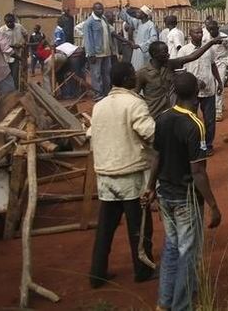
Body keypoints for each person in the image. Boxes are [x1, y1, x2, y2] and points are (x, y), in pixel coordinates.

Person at [142, 71, 222, 311]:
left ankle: (164, 302)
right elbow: (198, 171)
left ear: (174, 92)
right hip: (185, 197)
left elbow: (156, 155)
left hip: (164, 193)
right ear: (197, 93)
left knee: (172, 247)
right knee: (188, 251)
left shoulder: (163, 117)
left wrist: (149, 187)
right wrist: (213, 205)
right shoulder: (195, 125)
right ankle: (181, 305)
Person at [87, 61, 157, 288]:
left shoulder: (99, 105)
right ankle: (143, 270)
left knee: (105, 228)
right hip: (131, 173)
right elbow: (150, 134)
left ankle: (97, 273)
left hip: (105, 174)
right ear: (128, 79)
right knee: (139, 226)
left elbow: (92, 134)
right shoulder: (134, 104)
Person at [136, 38, 221, 120]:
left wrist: (211, 43)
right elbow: (133, 94)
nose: (168, 54)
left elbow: (192, 56)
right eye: (164, 52)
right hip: (154, 116)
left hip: (170, 115)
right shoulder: (142, 73)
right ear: (154, 54)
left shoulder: (170, 64)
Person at [178, 26, 223, 154]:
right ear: (190, 33)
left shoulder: (209, 50)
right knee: (191, 119)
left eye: (201, 32)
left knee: (210, 120)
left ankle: (208, 145)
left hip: (209, 89)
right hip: (191, 91)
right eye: (196, 32)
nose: (199, 35)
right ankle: (193, 144)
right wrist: (194, 82)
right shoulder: (184, 51)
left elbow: (213, 65)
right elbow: (181, 71)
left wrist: (219, 82)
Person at [203, 18, 228, 121]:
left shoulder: (224, 37)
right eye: (209, 29)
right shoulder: (205, 38)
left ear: (218, 28)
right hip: (209, 62)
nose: (211, 32)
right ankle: (220, 104)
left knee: (218, 85)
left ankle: (218, 111)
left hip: (221, 62)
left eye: (213, 29)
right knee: (210, 84)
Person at [83, 2, 113, 101]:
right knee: (96, 75)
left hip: (107, 52)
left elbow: (108, 35)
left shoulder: (104, 19)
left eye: (101, 9)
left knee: (106, 73)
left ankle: (106, 92)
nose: (100, 11)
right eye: (98, 9)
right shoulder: (89, 23)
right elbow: (88, 39)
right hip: (96, 54)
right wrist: (91, 54)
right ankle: (98, 94)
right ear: (93, 10)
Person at [119, 4, 159, 70]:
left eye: (139, 12)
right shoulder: (138, 22)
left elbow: (154, 39)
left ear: (143, 15)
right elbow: (128, 18)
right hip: (137, 51)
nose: (136, 14)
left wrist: (140, 46)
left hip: (144, 52)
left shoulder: (150, 25)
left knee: (143, 69)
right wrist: (121, 10)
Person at [0, 13, 28, 88]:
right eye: (7, 22)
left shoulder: (19, 26)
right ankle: (7, 93)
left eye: (11, 22)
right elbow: (1, 45)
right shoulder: (1, 31)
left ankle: (15, 93)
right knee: (6, 77)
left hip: (16, 56)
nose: (9, 23)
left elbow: (26, 34)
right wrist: (14, 45)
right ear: (5, 22)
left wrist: (24, 43)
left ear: (14, 21)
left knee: (15, 76)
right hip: (5, 57)